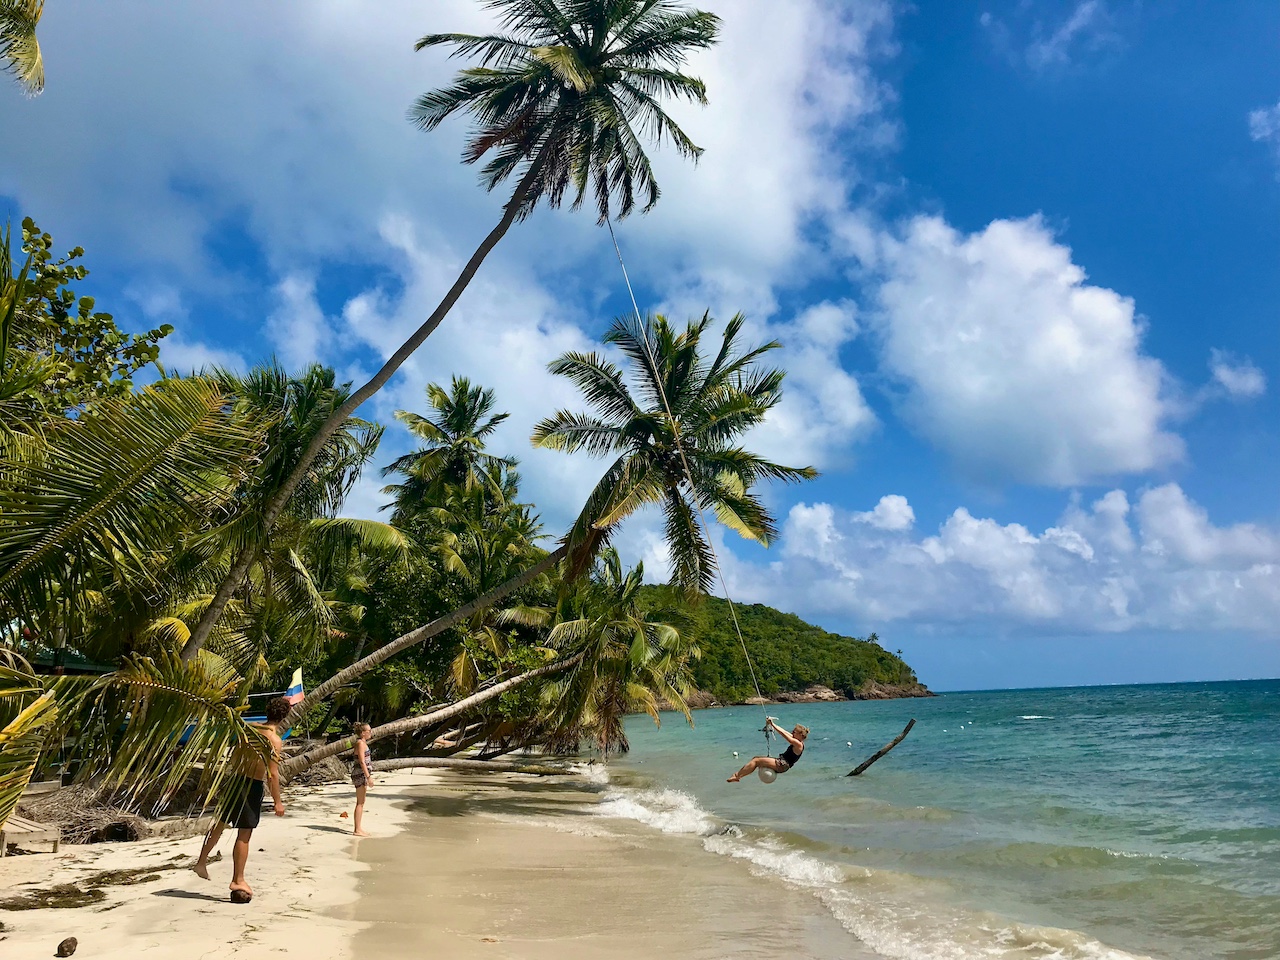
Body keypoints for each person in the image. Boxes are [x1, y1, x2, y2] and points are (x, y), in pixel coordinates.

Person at [193, 696, 289, 902]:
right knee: (244, 834)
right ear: (284, 717)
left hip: (234, 780)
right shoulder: (274, 740)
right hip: (250, 786)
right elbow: (272, 775)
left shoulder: (250, 728)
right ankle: (238, 879)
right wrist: (277, 802)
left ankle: (201, 862)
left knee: (220, 823)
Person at [727, 719, 808, 782]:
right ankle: (738, 776)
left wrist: (772, 724)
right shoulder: (798, 741)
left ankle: (737, 776)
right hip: (782, 763)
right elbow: (784, 731)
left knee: (756, 761)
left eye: (794, 732)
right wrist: (772, 724)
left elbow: (783, 735)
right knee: (756, 758)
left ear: (800, 735)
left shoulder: (798, 744)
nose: (792, 733)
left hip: (782, 765)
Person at [351, 722, 373, 837]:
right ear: (363, 733)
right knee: (360, 802)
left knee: (361, 802)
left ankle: (359, 828)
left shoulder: (363, 743)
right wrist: (368, 777)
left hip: (362, 774)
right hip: (360, 774)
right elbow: (362, 761)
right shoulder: (360, 743)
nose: (370, 733)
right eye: (369, 731)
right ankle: (357, 829)